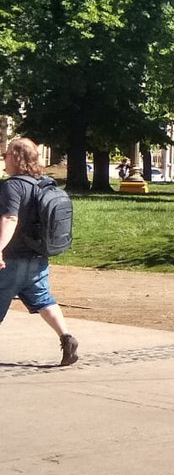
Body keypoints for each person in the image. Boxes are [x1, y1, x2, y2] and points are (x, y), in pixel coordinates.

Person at [0, 138, 79, 366]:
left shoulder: (13, 185)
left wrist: (0, 249)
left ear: (15, 158)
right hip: (38, 257)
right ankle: (67, 337)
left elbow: (10, 218)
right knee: (44, 300)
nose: (4, 157)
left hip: (12, 259)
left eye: (6, 153)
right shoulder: (44, 183)